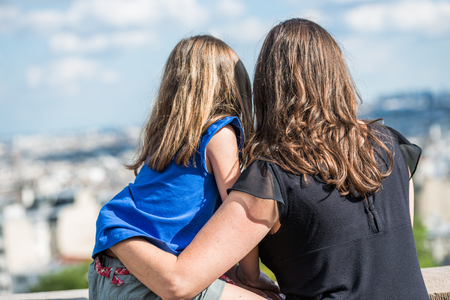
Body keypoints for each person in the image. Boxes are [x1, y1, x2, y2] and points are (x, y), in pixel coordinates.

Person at [110, 19, 429, 300]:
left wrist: (116, 233)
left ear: (267, 84)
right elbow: (397, 241)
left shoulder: (274, 174)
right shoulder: (392, 146)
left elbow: (179, 283)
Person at [88, 35, 280, 300]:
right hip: (152, 277)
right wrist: (250, 275)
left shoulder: (166, 138)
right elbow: (239, 213)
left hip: (109, 276)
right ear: (233, 86)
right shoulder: (220, 133)